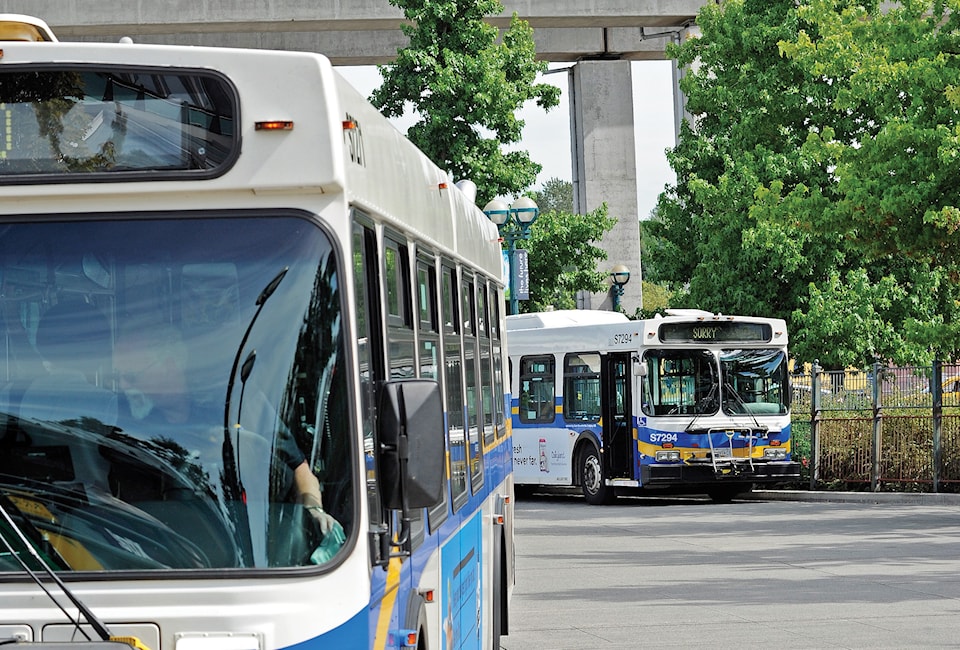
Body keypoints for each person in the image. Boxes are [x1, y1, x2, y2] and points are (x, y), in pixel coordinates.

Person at [113, 324, 338, 536]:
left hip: (261, 539)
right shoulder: (130, 431)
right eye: (118, 376)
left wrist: (314, 510)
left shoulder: (237, 404)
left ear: (170, 364)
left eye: (131, 376)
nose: (122, 385)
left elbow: (300, 468)